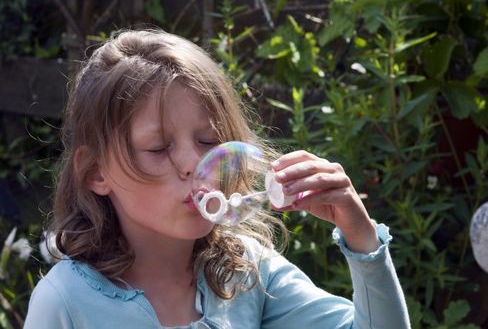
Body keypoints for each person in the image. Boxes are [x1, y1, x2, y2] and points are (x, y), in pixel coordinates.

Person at [24, 29, 410, 328]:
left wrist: (362, 238)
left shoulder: (247, 274)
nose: (196, 162)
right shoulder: (66, 301)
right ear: (95, 173)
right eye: (158, 148)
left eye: (210, 140)